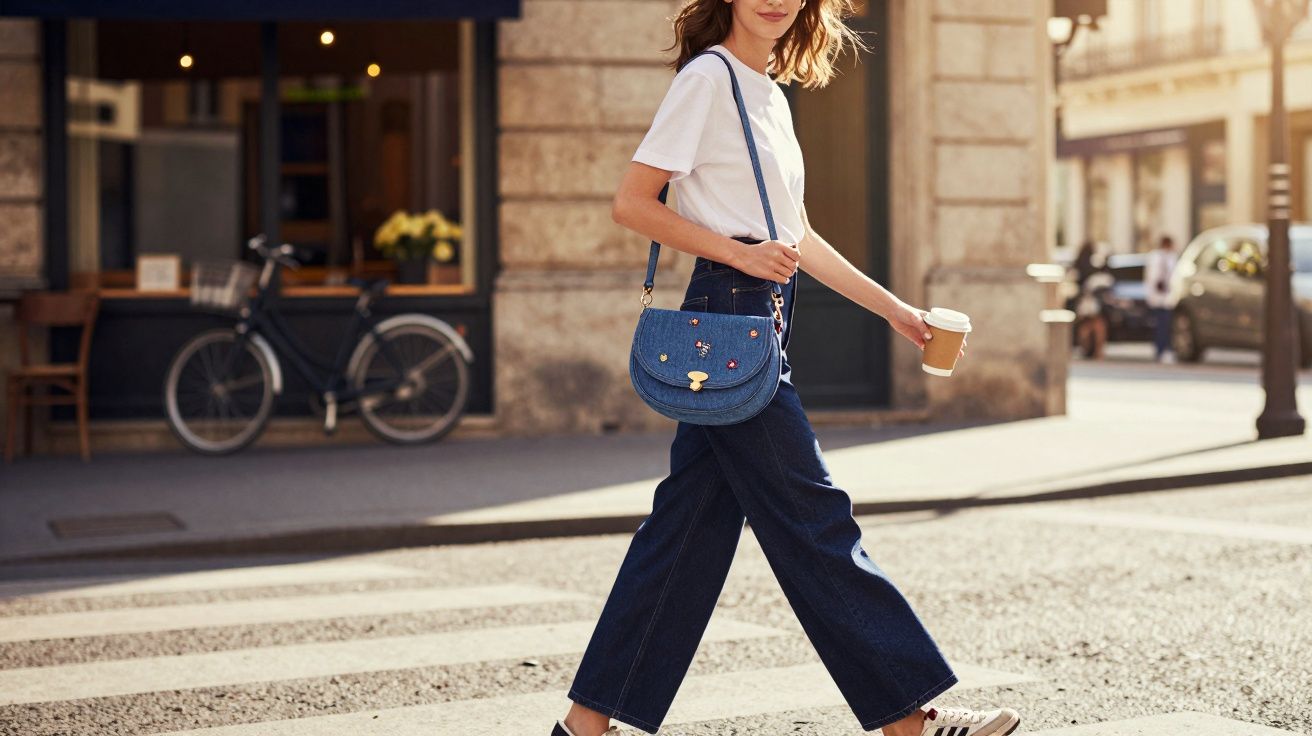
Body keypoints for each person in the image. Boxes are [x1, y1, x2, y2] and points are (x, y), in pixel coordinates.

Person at [553, 2, 1017, 736]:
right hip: (727, 309)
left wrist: (896, 312)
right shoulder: (708, 79)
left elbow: (795, 234)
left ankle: (583, 729)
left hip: (765, 311)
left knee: (685, 535)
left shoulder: (768, 91)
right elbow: (632, 203)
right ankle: (911, 719)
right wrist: (737, 253)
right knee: (815, 515)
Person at [1143, 234, 1179, 362]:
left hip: (1168, 297)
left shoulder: (1172, 257)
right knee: (1160, 324)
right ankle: (1160, 350)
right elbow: (1150, 277)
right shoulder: (1155, 257)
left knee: (1167, 324)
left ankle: (1165, 349)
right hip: (1157, 296)